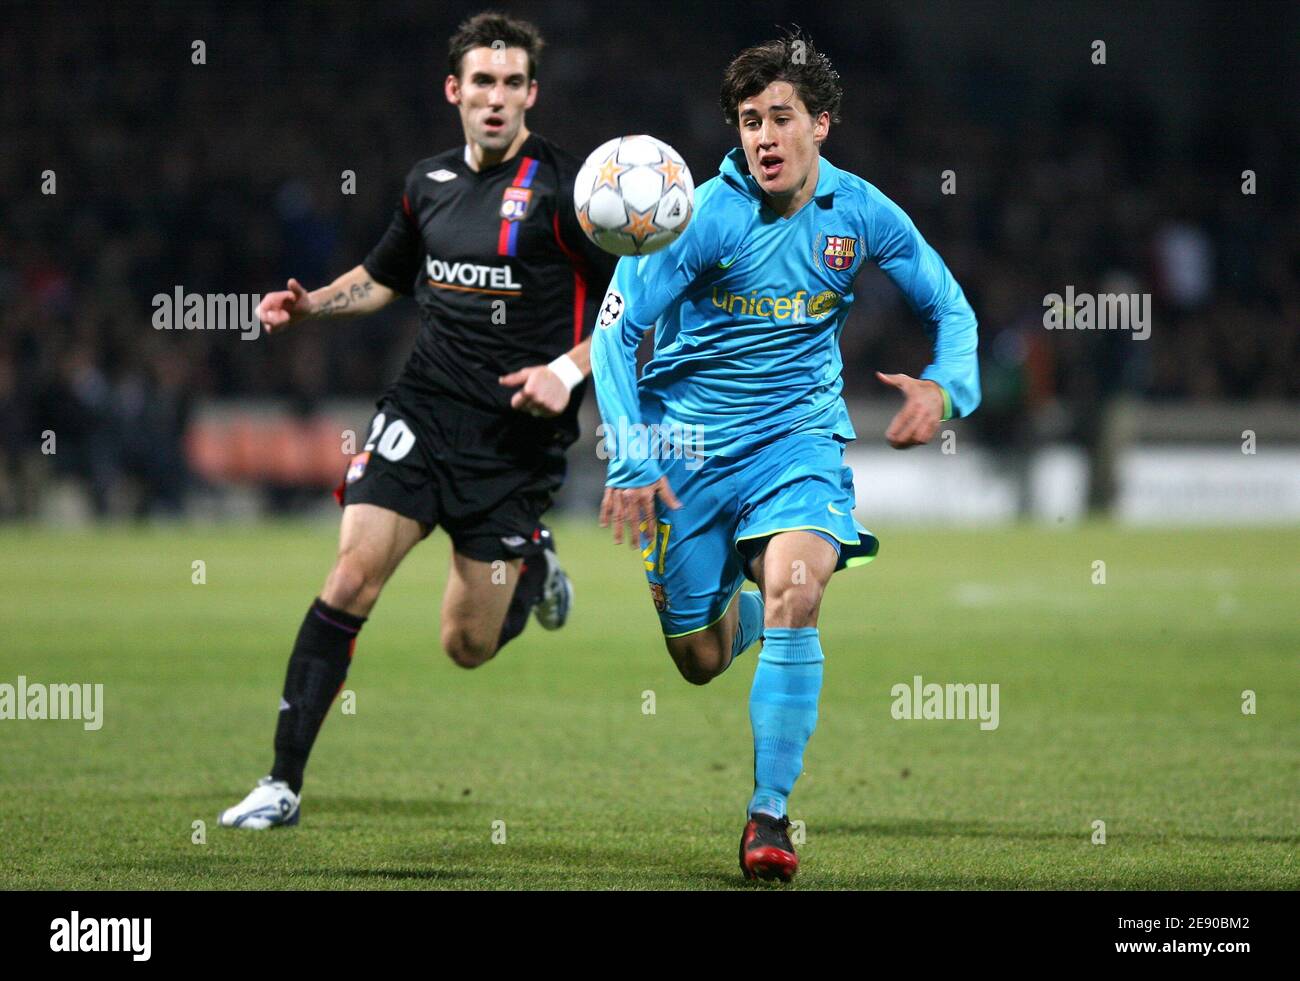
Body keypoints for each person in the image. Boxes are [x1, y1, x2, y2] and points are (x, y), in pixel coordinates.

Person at [591, 33, 980, 880]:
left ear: (822, 125)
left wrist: (945, 389)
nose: (763, 137)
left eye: (780, 118)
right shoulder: (698, 218)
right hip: (685, 451)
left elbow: (951, 307)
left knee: (801, 590)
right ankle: (752, 611)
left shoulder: (863, 214)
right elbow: (615, 335)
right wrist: (627, 452)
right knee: (697, 658)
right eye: (747, 121)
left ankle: (768, 816)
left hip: (796, 444)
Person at [220, 12, 616, 830]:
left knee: (464, 646)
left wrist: (567, 370)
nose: (496, 98)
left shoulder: (571, 196)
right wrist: (310, 306)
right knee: (351, 575)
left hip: (515, 443)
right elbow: (384, 274)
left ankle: (533, 570)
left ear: (532, 94)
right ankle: (281, 782)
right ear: (454, 90)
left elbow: (635, 308)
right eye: (482, 82)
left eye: (512, 84)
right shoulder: (427, 182)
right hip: (421, 412)